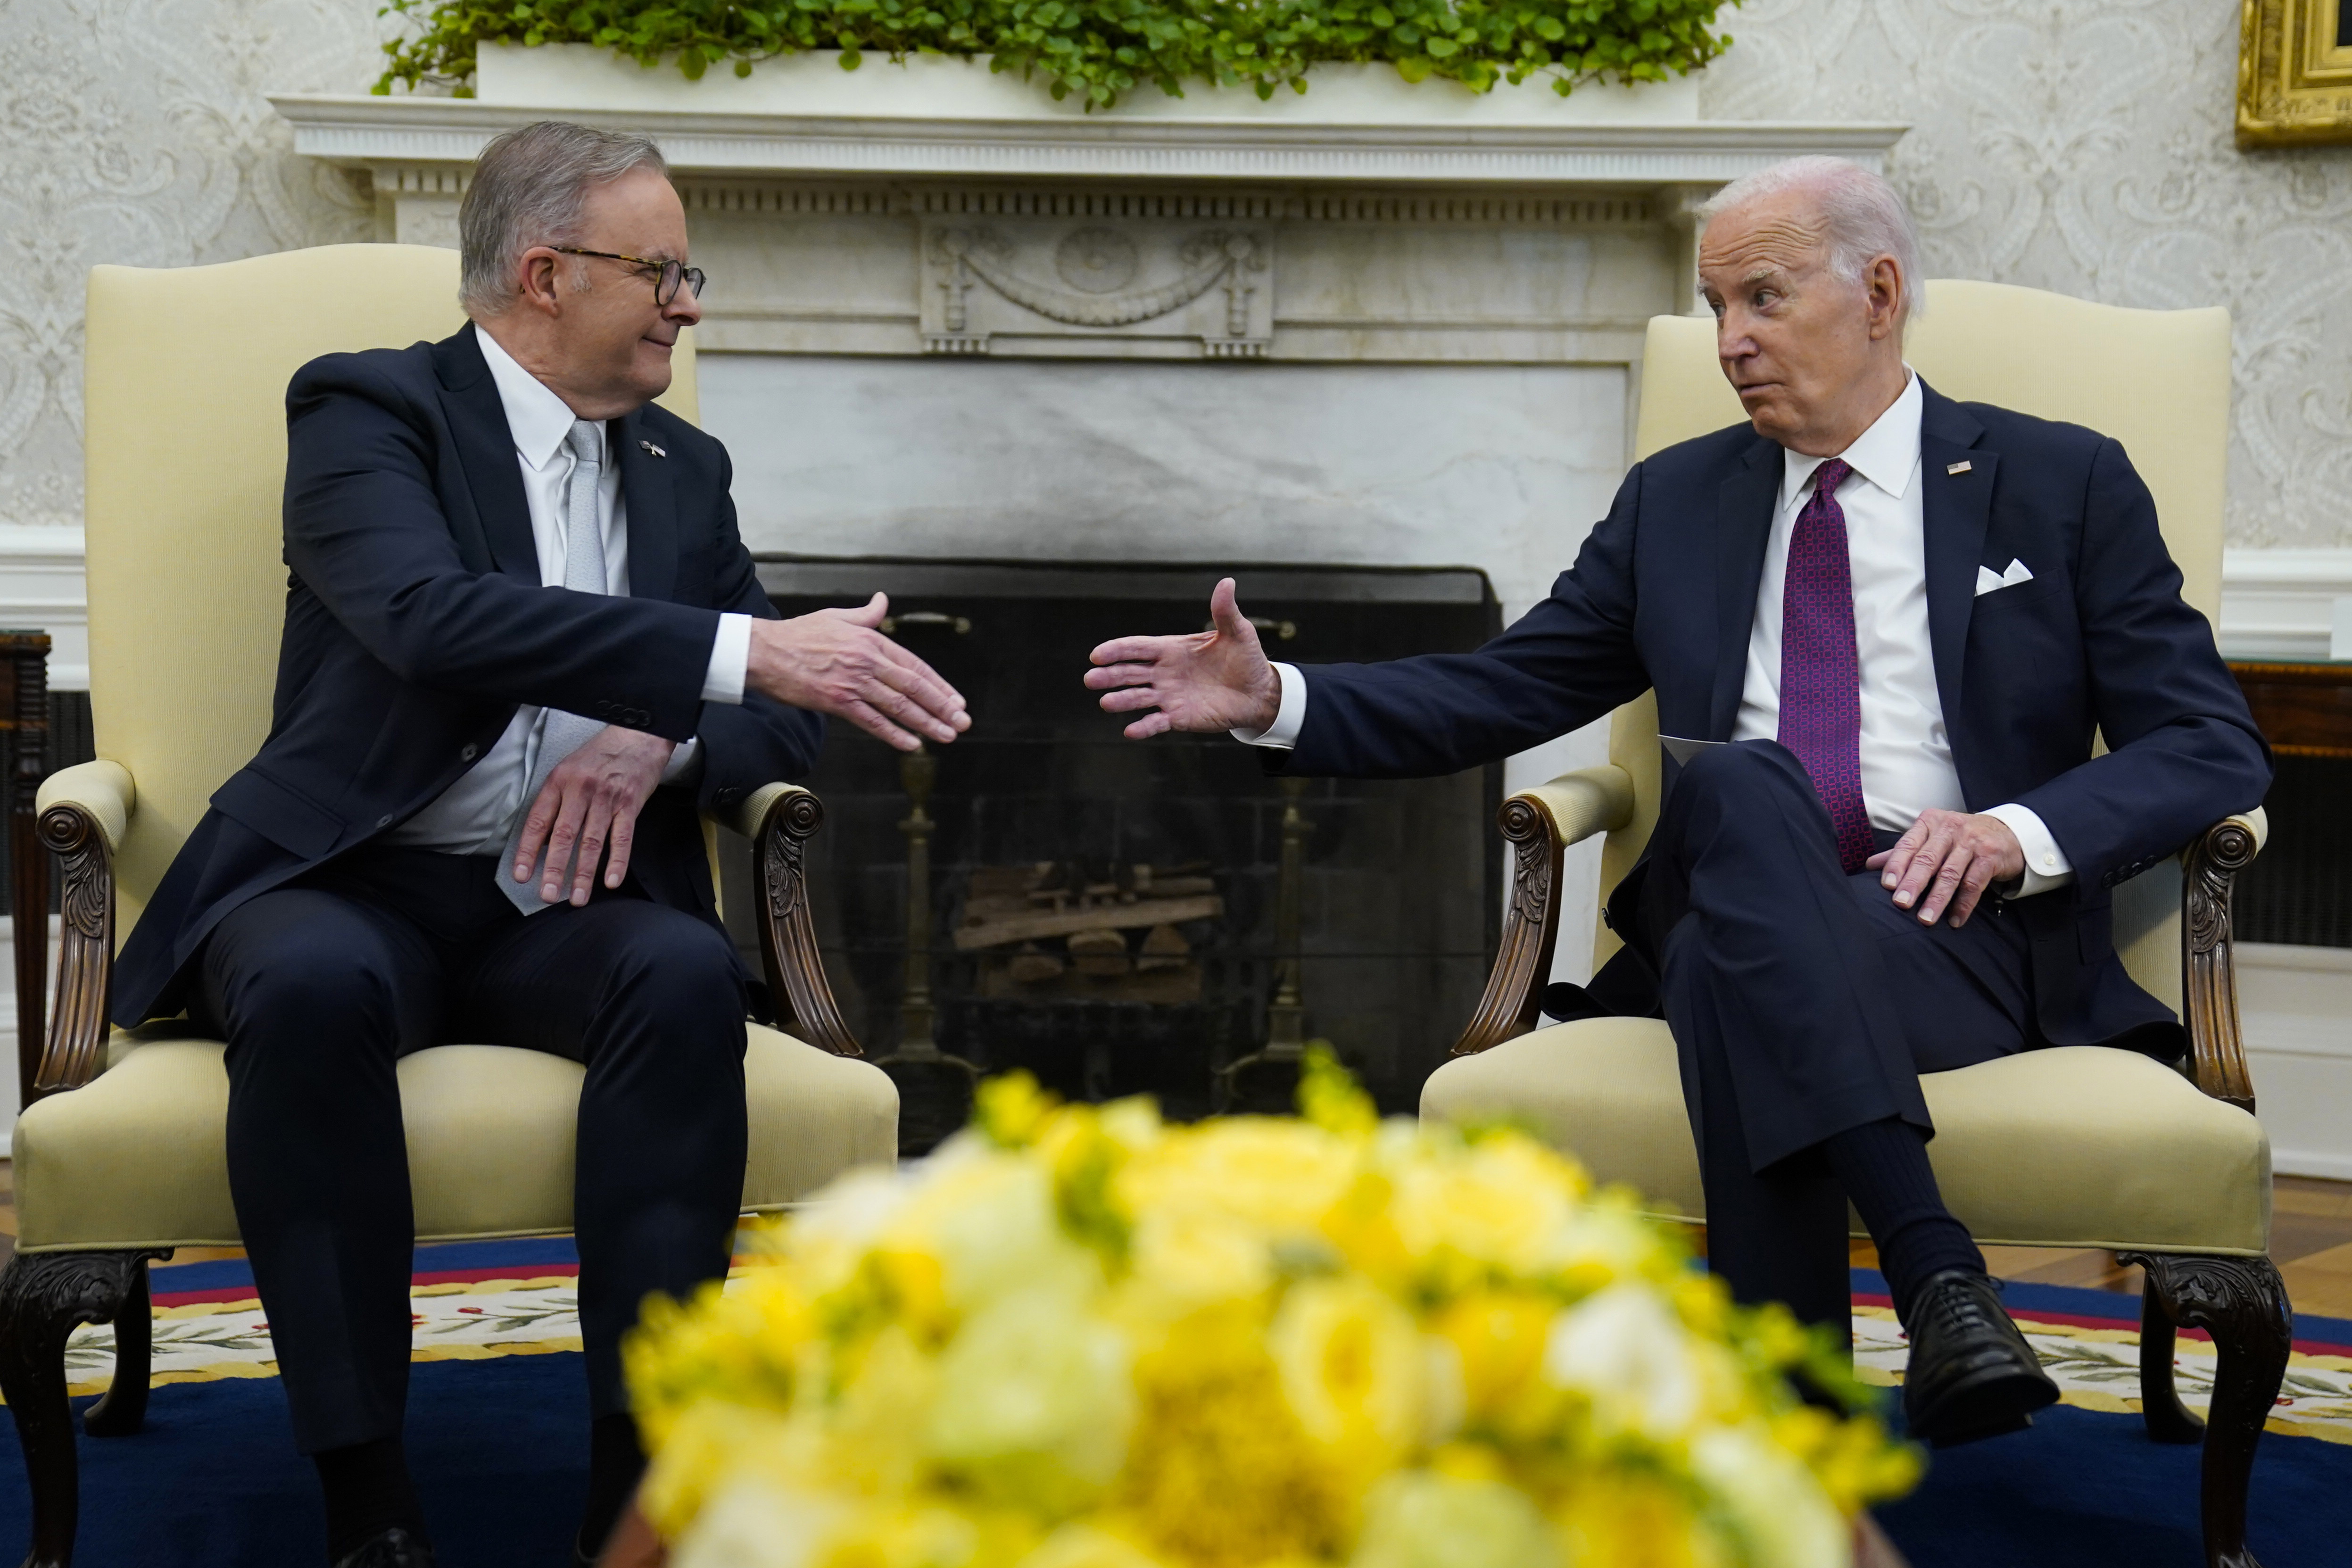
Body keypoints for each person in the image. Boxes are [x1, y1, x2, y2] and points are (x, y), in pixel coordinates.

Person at [1084, 156, 2269, 1450]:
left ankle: (1792, 1426)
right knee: (1748, 787)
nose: (1729, 343)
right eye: (1713, 309)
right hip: (1748, 862)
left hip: (1957, 934)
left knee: (1723, 965)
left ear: (1877, 293)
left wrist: (2007, 835)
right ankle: (1936, 1278)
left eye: (1761, 299)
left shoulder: (2060, 481)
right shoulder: (1679, 501)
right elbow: (1501, 690)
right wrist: (1279, 701)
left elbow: (2206, 745)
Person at [109, 121, 970, 1568]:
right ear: (545, 271)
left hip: (561, 906)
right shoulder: (367, 412)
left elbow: (777, 726)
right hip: (348, 879)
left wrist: (664, 731)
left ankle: (639, 1483)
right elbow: (428, 617)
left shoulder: (685, 471)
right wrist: (723, 654)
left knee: (685, 978)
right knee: (309, 988)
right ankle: (365, 1495)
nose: (690, 305)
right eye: (666, 271)